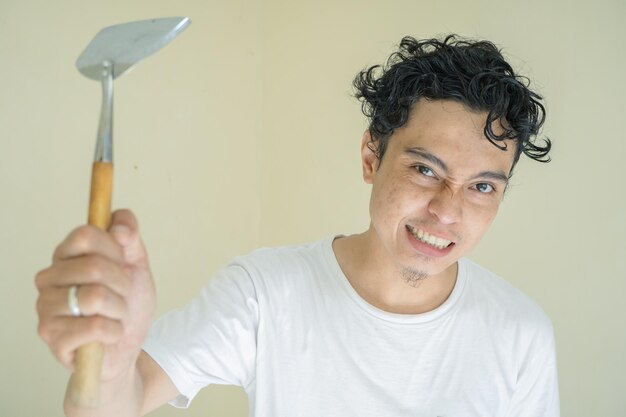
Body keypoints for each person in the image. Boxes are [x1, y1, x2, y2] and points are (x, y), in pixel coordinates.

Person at [35, 35, 559, 417]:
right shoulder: (266, 293)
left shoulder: (521, 333)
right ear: (371, 155)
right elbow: (107, 407)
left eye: (482, 187)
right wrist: (109, 365)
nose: (447, 211)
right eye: (425, 169)